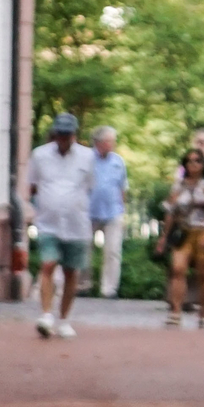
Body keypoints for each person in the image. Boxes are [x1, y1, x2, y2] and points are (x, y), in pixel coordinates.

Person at [26, 112, 97, 339]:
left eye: (67, 135)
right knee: (48, 264)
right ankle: (46, 315)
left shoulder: (88, 157)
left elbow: (90, 186)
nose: (63, 139)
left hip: (76, 224)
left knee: (70, 272)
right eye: (60, 134)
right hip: (49, 223)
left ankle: (64, 319)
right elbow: (33, 185)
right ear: (54, 134)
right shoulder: (40, 155)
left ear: (74, 135)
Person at [158, 149, 204, 329]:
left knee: (203, 275)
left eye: (197, 161)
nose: (193, 164)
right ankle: (176, 312)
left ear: (203, 164)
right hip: (183, 232)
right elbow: (170, 211)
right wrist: (164, 236)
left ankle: (203, 313)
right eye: (189, 161)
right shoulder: (178, 186)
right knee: (177, 269)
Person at [89, 126, 131, 299]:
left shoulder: (118, 161)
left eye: (112, 141)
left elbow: (123, 187)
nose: (112, 144)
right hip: (88, 212)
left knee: (113, 252)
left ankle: (109, 289)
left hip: (113, 212)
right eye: (109, 141)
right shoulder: (87, 159)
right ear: (98, 142)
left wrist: (123, 209)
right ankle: (82, 285)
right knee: (84, 250)